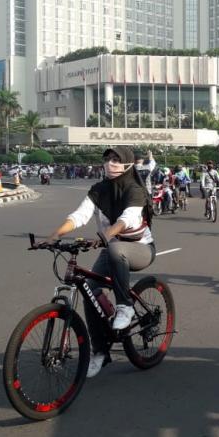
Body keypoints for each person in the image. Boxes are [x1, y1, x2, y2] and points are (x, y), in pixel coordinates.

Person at [43, 146, 156, 378]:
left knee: (114, 249)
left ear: (128, 164)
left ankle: (125, 307)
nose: (110, 163)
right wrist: (54, 235)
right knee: (90, 291)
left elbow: (126, 220)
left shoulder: (135, 190)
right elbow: (80, 216)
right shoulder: (98, 190)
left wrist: (106, 235)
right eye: (108, 159)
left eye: (116, 159)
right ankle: (100, 352)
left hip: (140, 248)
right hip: (112, 247)